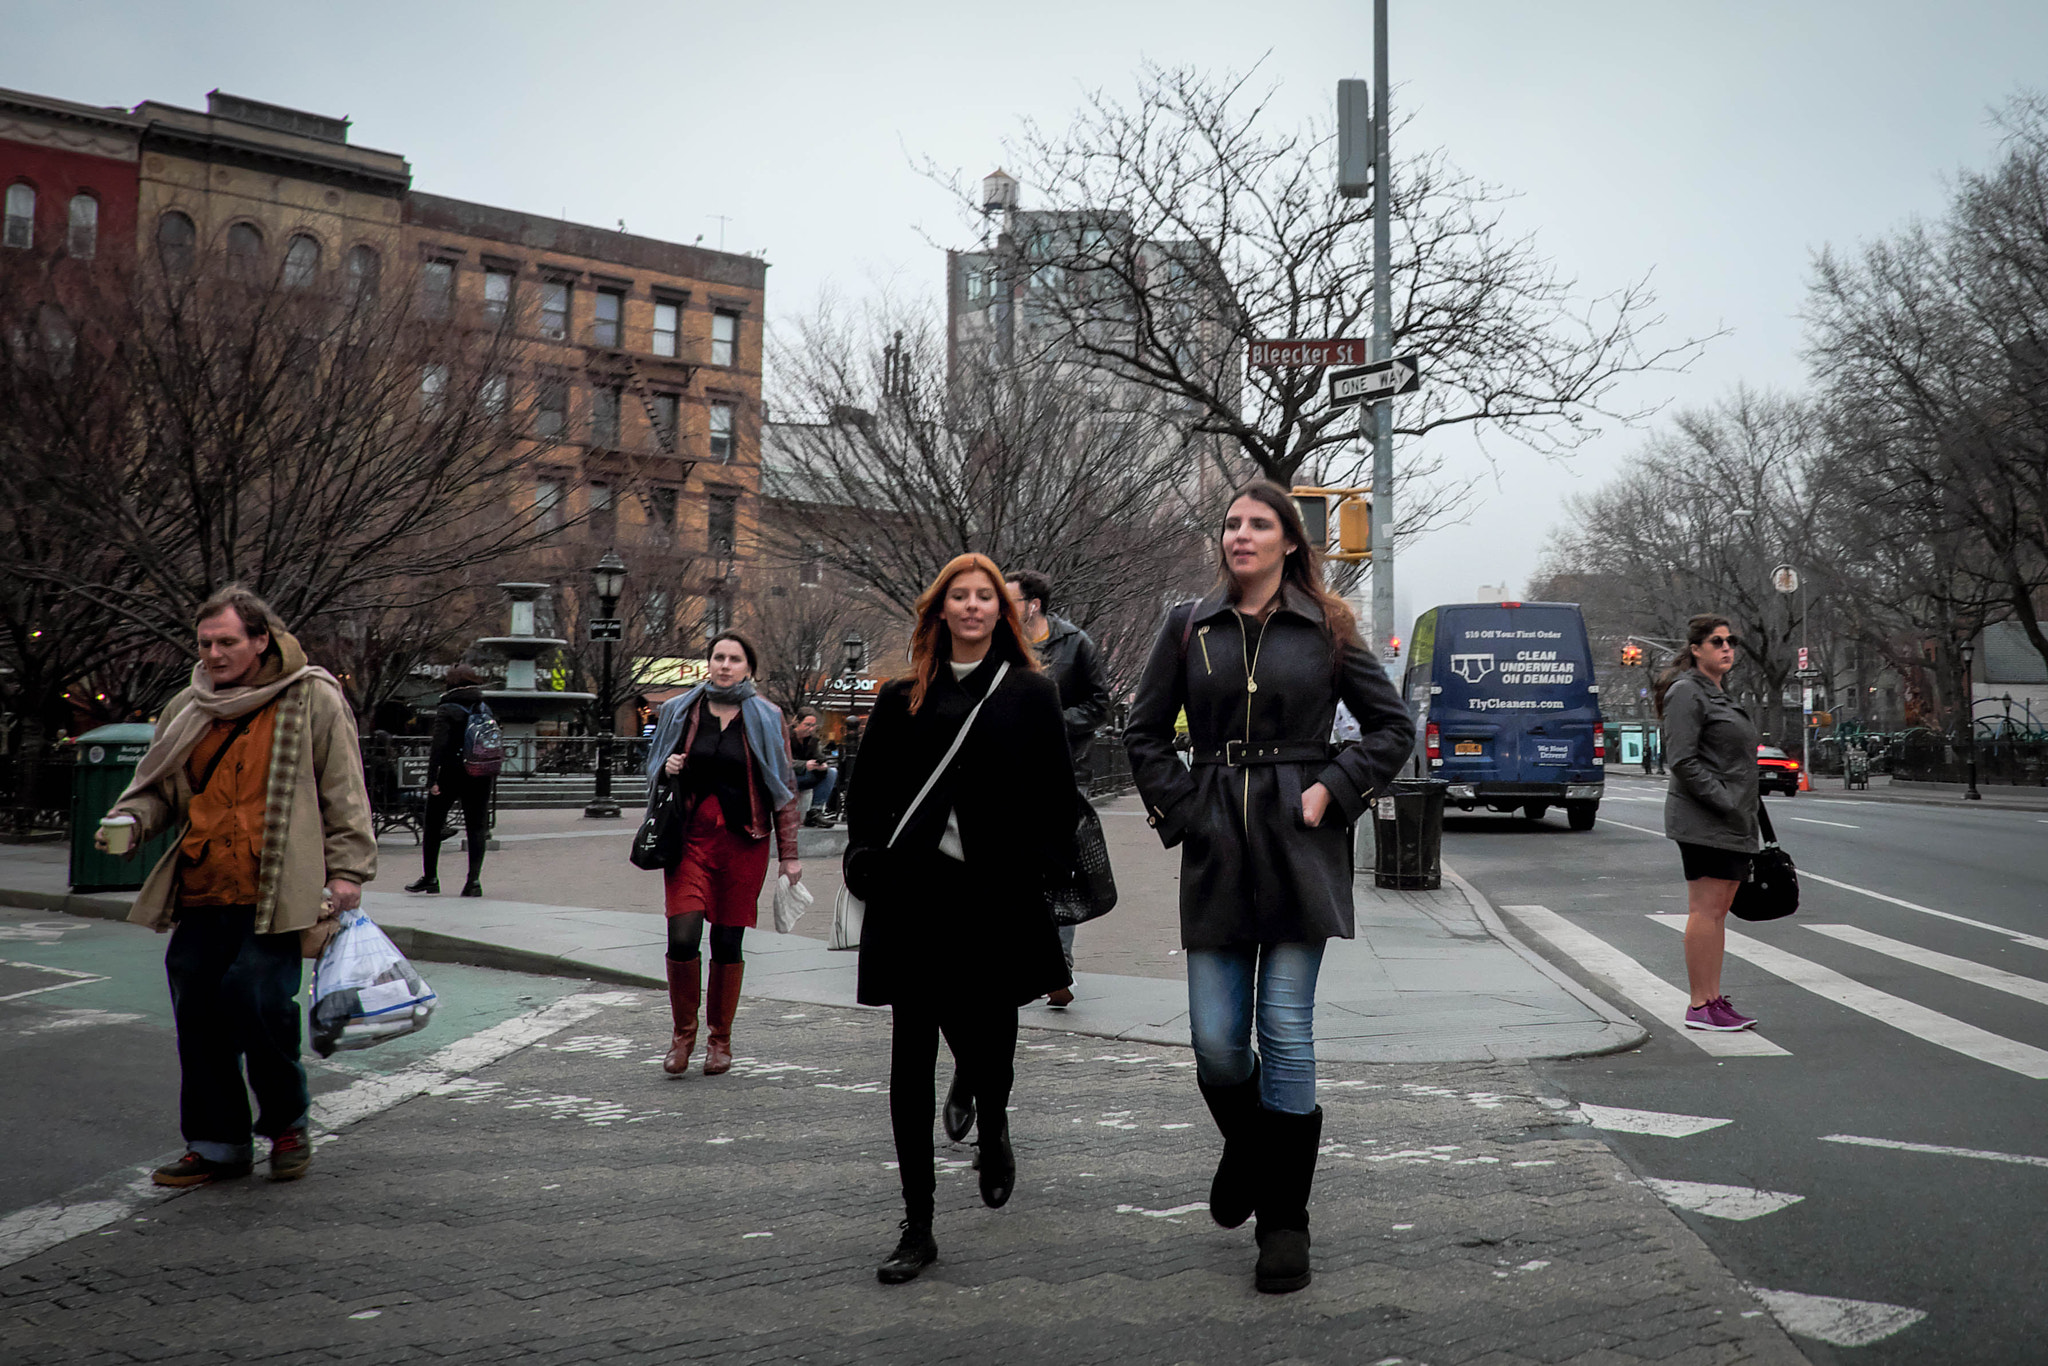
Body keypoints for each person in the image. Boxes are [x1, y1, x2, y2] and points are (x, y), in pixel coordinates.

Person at [1124, 481, 1412, 1295]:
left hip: (1301, 844)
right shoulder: (1188, 626)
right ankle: (1249, 1148)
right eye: (1231, 524)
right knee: (1217, 1044)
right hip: (1214, 843)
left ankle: (1286, 1221)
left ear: (1290, 541)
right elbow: (1142, 732)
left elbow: (1392, 729)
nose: (1239, 535)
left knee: (1285, 1030)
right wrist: (1182, 809)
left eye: (1258, 524)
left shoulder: (1329, 627)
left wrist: (1334, 789)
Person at [842, 553, 1075, 1285]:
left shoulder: (1031, 694)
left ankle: (994, 1121)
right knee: (910, 1058)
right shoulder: (900, 696)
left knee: (989, 1044)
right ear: (939, 610)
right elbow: (866, 792)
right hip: (913, 898)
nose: (972, 606)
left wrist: (1034, 863)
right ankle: (918, 1223)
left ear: (1000, 612)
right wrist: (862, 855)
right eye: (959, 596)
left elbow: (1057, 798)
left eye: (984, 597)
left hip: (993, 900)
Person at [100, 585, 376, 1187]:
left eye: (227, 641)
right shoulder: (187, 707)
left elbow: (344, 788)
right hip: (203, 887)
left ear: (260, 640)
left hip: (277, 887)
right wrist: (129, 819)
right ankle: (217, 1144)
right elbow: (158, 789)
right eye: (205, 643)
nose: (215, 654)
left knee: (259, 1002)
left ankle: (286, 1124)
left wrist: (348, 870)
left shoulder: (311, 697)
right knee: (197, 1014)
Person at [642, 632, 801, 1077]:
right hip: (689, 840)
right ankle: (682, 1036)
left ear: (749, 667)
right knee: (682, 937)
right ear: (708, 662)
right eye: (718, 657)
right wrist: (668, 766)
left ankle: (719, 1040)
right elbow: (653, 766)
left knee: (727, 943)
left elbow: (784, 788)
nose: (725, 665)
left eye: (734, 659)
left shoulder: (767, 717)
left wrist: (789, 855)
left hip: (743, 843)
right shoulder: (681, 710)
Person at [1657, 614, 1762, 1032]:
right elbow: (1681, 758)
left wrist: (1742, 807)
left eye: (1730, 641)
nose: (1726, 647)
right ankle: (1700, 1005)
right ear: (1696, 649)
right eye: (1716, 641)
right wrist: (1723, 800)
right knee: (1705, 910)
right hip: (1704, 819)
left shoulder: (1718, 692)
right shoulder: (1687, 692)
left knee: (1719, 912)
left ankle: (1714, 999)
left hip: (1733, 819)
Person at [406, 664, 494, 897]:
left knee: (433, 824)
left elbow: (439, 746)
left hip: (451, 773)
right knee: (476, 827)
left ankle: (431, 878)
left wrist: (432, 778)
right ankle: (473, 882)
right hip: (480, 773)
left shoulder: (447, 708)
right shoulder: (484, 706)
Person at [789, 706, 838, 827]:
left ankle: (815, 812)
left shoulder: (812, 740)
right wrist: (805, 765)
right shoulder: (785, 736)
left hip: (802, 776)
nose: (810, 729)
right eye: (807, 725)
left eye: (813, 725)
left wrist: (821, 764)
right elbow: (780, 762)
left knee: (831, 772)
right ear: (797, 723)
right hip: (785, 778)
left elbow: (818, 755)